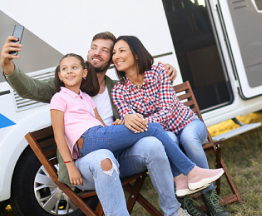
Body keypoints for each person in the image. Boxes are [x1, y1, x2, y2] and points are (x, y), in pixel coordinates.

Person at [1, 32, 191, 216]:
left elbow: (144, 104)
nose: (96, 52)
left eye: (105, 50)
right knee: (103, 157)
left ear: (112, 59)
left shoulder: (118, 88)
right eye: (93, 47)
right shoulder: (69, 86)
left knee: (153, 145)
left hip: (120, 154)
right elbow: (29, 88)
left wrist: (164, 70)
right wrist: (7, 65)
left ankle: (173, 211)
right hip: (86, 163)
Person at [51, 53, 224, 197]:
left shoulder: (86, 98)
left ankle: (184, 179)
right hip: (87, 140)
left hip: (98, 136)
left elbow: (102, 127)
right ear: (59, 75)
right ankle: (191, 172)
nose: (69, 72)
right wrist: (69, 165)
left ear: (85, 73)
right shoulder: (59, 98)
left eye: (74, 67)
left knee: (150, 134)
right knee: (154, 128)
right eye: (64, 69)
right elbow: (59, 134)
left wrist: (117, 128)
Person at [111, 36, 230, 216]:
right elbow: (129, 119)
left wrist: (143, 122)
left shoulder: (159, 71)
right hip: (165, 133)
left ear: (136, 54)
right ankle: (186, 203)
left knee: (188, 139)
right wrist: (131, 120)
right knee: (169, 141)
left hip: (188, 123)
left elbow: (167, 112)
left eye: (121, 50)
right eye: (114, 52)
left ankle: (210, 198)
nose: (116, 56)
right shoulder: (119, 91)